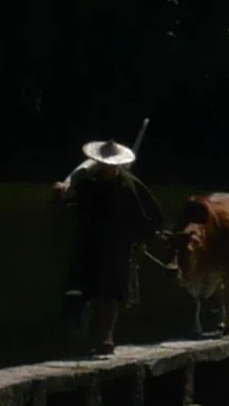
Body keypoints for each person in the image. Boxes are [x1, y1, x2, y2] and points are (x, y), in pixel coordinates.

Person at [53, 140, 162, 355]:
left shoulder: (129, 185)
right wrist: (61, 191)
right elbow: (68, 199)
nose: (107, 167)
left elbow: (149, 215)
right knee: (93, 291)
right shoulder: (88, 183)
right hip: (91, 244)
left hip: (118, 247)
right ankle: (95, 337)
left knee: (112, 293)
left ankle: (107, 337)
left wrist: (141, 240)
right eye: (103, 163)